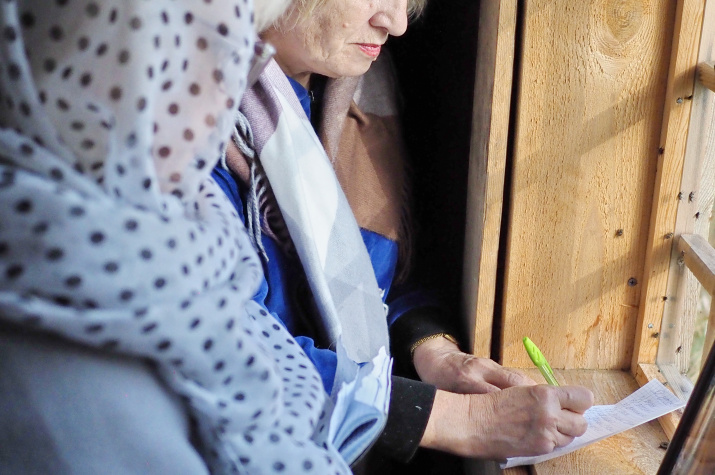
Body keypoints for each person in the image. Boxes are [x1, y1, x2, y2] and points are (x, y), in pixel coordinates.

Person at [213, 0, 596, 468]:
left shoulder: (355, 91)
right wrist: (458, 419)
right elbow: (218, 347)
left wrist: (433, 351)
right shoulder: (186, 125)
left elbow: (376, 273)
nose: (395, 24)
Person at [0, 1, 362, 474]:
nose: (222, 102)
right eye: (193, 55)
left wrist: (424, 336)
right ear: (69, 61)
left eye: (238, 61)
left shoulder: (187, 231)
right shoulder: (60, 396)